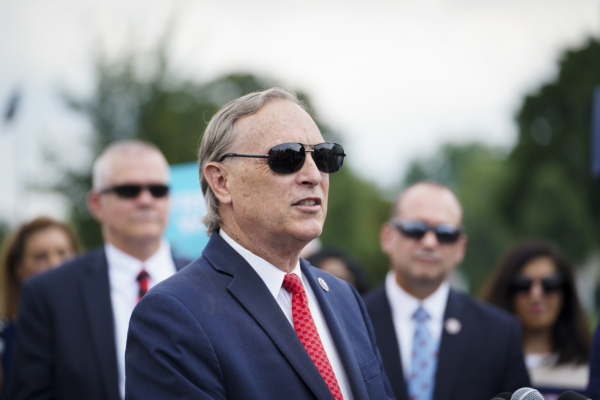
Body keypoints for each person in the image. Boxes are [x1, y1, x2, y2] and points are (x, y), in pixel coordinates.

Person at [125, 88, 395, 400]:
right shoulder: (173, 314)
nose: (313, 175)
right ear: (221, 182)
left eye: (324, 157)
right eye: (287, 157)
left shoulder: (344, 297)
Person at [7, 140, 190, 400]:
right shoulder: (48, 293)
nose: (146, 200)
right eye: (129, 190)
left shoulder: (213, 282)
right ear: (96, 203)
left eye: (158, 190)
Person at [364, 181, 530, 400]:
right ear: (387, 237)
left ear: (460, 247)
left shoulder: (500, 334)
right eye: (415, 229)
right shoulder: (349, 322)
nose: (430, 242)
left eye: (445, 233)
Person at [481, 239, 590, 398]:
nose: (536, 295)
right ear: (507, 291)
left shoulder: (588, 369)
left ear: (565, 292)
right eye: (523, 284)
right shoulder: (482, 366)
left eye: (549, 284)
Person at [0, 216, 81, 396]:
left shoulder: (100, 327)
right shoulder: (5, 339)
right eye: (41, 257)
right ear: (19, 268)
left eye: (63, 253)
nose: (55, 264)